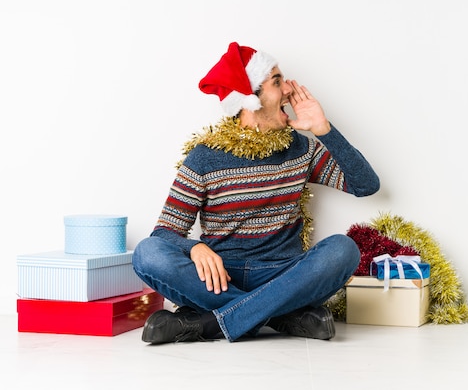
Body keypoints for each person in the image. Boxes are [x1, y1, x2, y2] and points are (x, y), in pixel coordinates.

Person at [132, 42, 380, 344]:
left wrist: (323, 128)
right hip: (220, 276)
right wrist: (194, 249)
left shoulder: (302, 149)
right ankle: (282, 315)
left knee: (344, 249)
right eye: (276, 81)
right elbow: (163, 234)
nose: (288, 89)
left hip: (284, 272)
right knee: (147, 254)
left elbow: (365, 185)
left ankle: (208, 324)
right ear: (250, 99)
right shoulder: (205, 157)